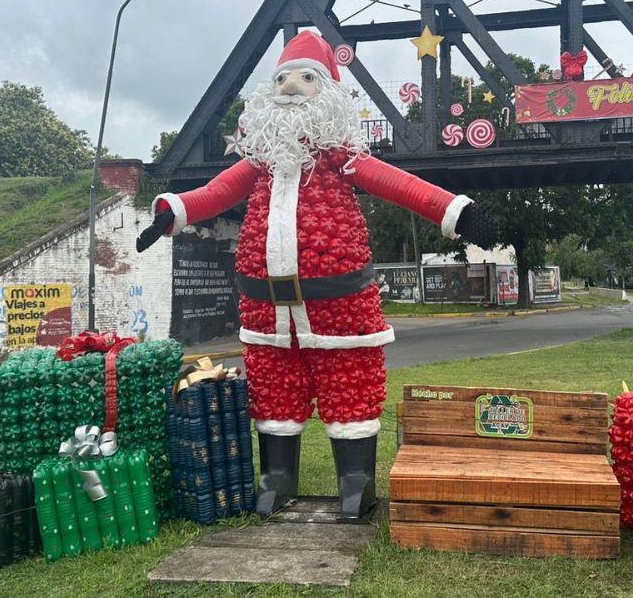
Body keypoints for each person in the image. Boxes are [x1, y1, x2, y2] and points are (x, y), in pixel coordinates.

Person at [137, 32, 497, 519]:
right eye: (283, 78)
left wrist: (455, 210)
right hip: (266, 309)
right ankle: (277, 478)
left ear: (325, 90)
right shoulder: (258, 164)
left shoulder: (340, 158)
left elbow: (398, 184)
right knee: (274, 389)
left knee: (348, 383)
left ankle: (356, 481)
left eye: (305, 78)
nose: (290, 87)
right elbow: (215, 192)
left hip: (339, 304)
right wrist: (171, 212)